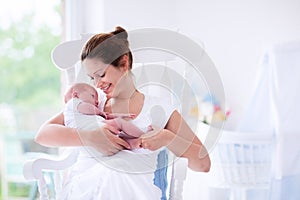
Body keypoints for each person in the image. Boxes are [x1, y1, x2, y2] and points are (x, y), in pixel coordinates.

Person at [35, 26, 211, 200]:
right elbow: (43, 135)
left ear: (124, 64)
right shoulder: (91, 105)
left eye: (101, 74)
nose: (97, 84)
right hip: (85, 188)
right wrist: (89, 137)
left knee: (116, 174)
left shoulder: (159, 109)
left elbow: (203, 164)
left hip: (129, 189)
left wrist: (167, 138)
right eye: (92, 78)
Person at [63, 82, 143, 149]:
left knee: (118, 136)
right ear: (75, 95)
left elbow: (108, 116)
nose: (97, 102)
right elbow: (86, 108)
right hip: (93, 136)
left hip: (97, 144)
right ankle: (144, 135)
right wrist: (99, 112)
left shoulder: (84, 114)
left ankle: (131, 144)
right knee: (119, 123)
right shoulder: (73, 103)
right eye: (92, 96)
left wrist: (124, 115)